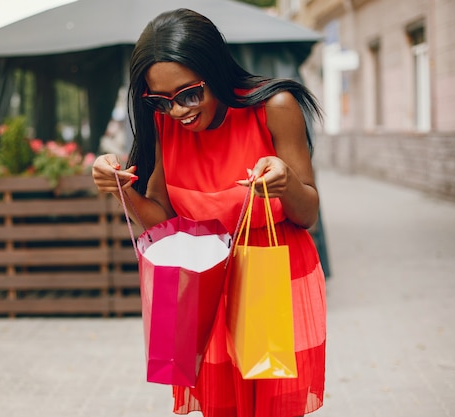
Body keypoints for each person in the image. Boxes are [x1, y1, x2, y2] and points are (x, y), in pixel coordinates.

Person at [92, 8, 326, 417]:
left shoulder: (275, 106)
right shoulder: (164, 124)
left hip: (268, 275)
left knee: (270, 407)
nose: (178, 111)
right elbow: (165, 225)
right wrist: (120, 191)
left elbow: (308, 215)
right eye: (160, 101)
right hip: (202, 285)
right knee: (222, 409)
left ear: (215, 71)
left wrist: (286, 183)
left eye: (189, 94)